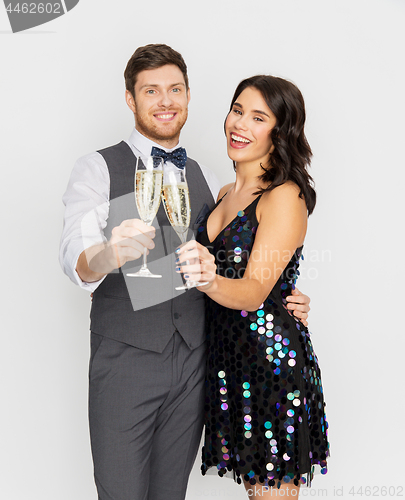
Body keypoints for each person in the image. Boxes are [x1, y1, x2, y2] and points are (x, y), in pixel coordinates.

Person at [59, 45, 311, 500]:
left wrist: (284, 298)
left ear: (190, 97)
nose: (165, 100)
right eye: (150, 91)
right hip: (127, 363)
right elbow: (75, 259)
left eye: (175, 89)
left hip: (200, 361)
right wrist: (108, 255)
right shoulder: (97, 167)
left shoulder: (209, 175)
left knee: (171, 493)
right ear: (130, 100)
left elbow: (250, 260)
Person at [176, 75, 329, 498]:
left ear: (280, 132)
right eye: (237, 110)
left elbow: (254, 291)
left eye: (258, 117)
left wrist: (205, 276)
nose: (239, 124)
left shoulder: (284, 195)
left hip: (269, 365)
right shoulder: (225, 192)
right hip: (227, 362)